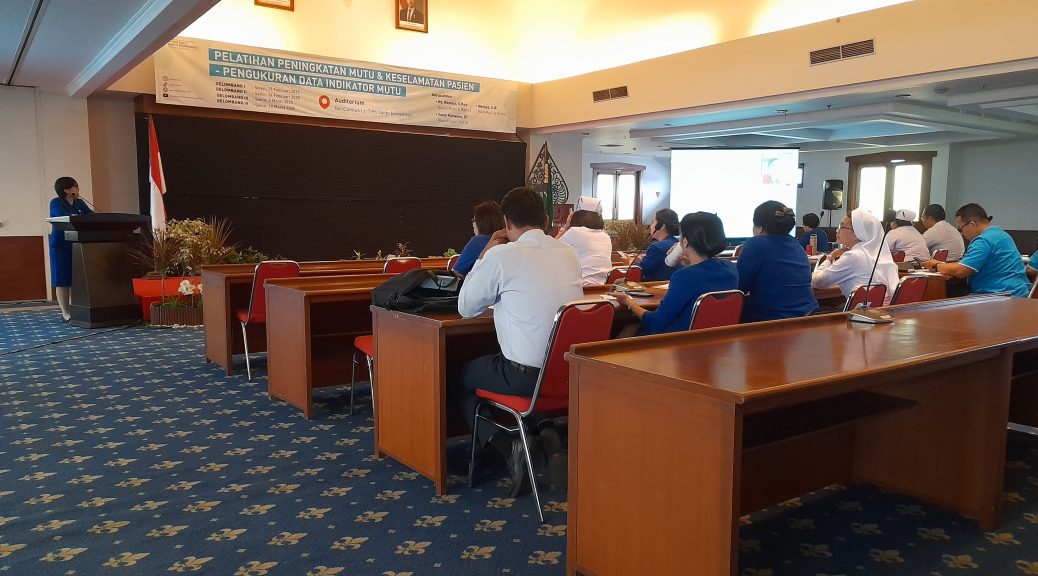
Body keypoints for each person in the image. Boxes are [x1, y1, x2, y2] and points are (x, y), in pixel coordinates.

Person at [453, 187, 583, 496]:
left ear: (506, 222)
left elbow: (466, 307)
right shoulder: (568, 253)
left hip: (526, 377)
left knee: (459, 378)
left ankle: (507, 445)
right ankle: (546, 429)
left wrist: (483, 257)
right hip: (569, 373)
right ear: (546, 220)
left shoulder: (501, 255)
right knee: (514, 364)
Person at [616, 212, 738, 334]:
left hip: (676, 341)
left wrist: (629, 302)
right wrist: (690, 263)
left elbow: (656, 323)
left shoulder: (684, 276)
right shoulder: (731, 268)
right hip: (715, 339)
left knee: (627, 329)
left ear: (684, 242)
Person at [922, 203, 1030, 297]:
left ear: (972, 224)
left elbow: (962, 270)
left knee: (942, 307)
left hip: (999, 296)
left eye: (960, 228)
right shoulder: (1000, 234)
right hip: (1018, 292)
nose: (961, 233)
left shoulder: (983, 240)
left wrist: (936, 265)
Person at [737, 201, 817, 322]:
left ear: (759, 228)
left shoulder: (755, 244)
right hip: (808, 314)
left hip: (773, 318)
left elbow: (740, 288)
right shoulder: (796, 244)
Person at [812, 208, 898, 305]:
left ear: (857, 233)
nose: (837, 230)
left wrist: (830, 257)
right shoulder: (877, 254)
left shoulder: (853, 256)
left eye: (842, 226)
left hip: (862, 312)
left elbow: (817, 282)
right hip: (883, 310)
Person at [49, 176, 93, 322]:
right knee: (62, 279)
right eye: (76, 186)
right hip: (60, 246)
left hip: (78, 244)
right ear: (67, 190)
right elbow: (60, 216)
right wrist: (76, 216)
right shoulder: (56, 202)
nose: (78, 189)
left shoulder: (80, 202)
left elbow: (91, 216)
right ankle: (65, 313)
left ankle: (76, 309)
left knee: (76, 278)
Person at [556, 209, 613, 285]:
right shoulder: (606, 237)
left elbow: (551, 247)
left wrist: (565, 228)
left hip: (581, 286)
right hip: (604, 287)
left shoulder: (575, 231)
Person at [454, 201, 503, 275]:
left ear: (481, 222)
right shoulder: (509, 241)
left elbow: (456, 272)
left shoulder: (478, 242)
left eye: (474, 221)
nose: (473, 225)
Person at [638, 208, 680, 281]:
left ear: (661, 226)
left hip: (652, 286)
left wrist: (631, 262)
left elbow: (642, 270)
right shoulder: (677, 244)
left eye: (653, 222)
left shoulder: (656, 247)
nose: (650, 226)